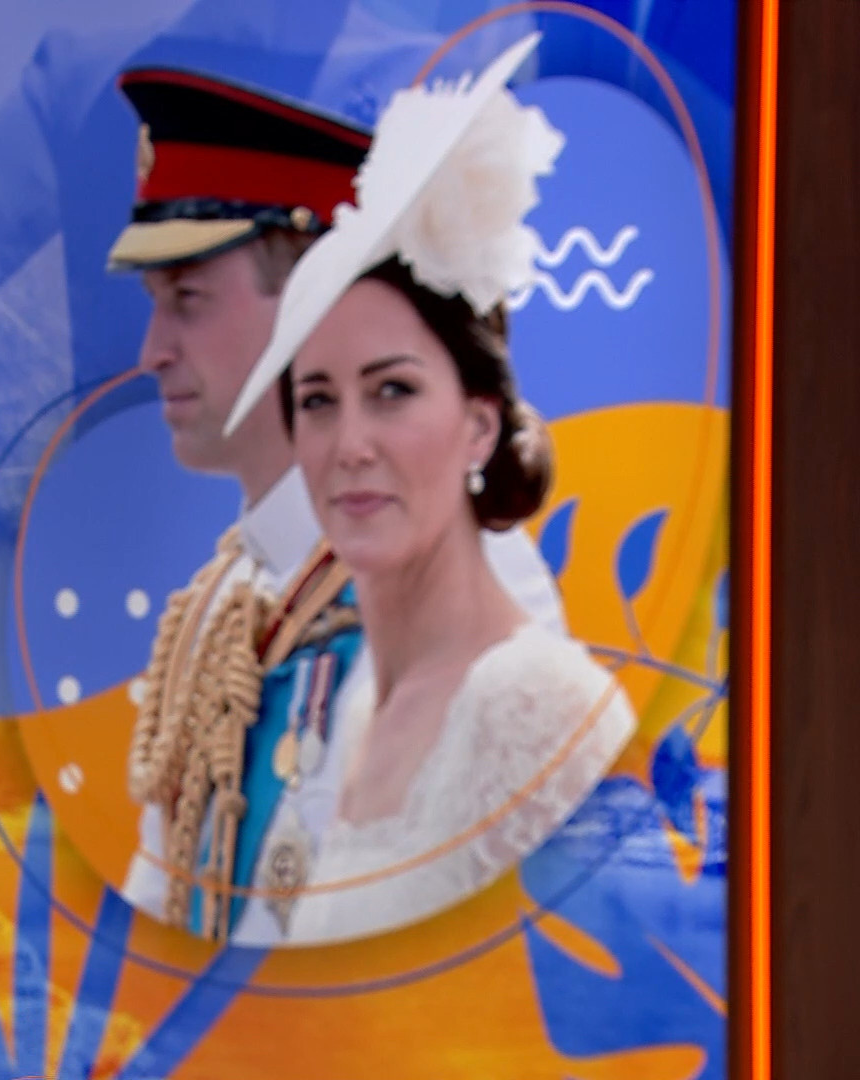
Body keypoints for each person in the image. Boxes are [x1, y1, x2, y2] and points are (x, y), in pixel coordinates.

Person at [106, 66, 565, 944]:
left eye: (188, 299)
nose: (152, 351)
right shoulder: (225, 599)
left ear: (316, 303)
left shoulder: (467, 583)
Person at [225, 33, 636, 944]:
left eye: (393, 391)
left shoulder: (535, 705)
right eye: (318, 401)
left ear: (480, 425)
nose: (351, 446)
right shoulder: (361, 699)